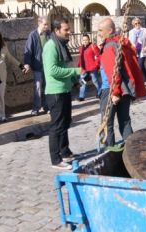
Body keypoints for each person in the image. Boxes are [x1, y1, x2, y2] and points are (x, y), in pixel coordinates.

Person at [98, 18, 146, 147]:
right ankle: (132, 149)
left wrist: (114, 93)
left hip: (110, 89)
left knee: (107, 123)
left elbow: (113, 72)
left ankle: (109, 151)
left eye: (100, 30)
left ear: (109, 30)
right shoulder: (121, 43)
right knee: (125, 120)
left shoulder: (109, 46)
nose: (99, 33)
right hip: (124, 89)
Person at [43, 17, 82, 170]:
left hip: (65, 90)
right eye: (66, 30)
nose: (69, 32)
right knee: (56, 126)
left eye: (69, 29)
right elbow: (53, 70)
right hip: (55, 92)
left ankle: (65, 152)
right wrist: (75, 71)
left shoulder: (61, 45)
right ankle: (55, 159)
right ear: (56, 30)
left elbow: (65, 64)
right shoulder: (51, 46)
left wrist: (74, 80)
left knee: (65, 123)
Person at [24, 16, 50, 116]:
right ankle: (36, 108)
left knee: (47, 87)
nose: (46, 26)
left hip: (47, 66)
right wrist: (27, 63)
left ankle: (46, 106)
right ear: (39, 24)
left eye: (47, 24)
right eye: (45, 24)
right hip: (37, 65)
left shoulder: (48, 34)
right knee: (38, 87)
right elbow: (28, 50)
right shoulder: (33, 35)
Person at [128, 17, 146, 86]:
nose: (137, 24)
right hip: (135, 52)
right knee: (142, 66)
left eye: (138, 23)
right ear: (133, 24)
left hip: (143, 51)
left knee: (140, 66)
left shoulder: (145, 30)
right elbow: (129, 42)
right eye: (135, 23)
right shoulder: (131, 32)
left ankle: (143, 81)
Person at [77, 34, 101, 101]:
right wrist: (79, 66)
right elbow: (80, 58)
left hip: (92, 68)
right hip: (83, 68)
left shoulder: (93, 46)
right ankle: (81, 96)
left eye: (86, 40)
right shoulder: (81, 48)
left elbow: (99, 56)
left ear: (89, 40)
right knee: (82, 81)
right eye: (83, 40)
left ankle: (99, 93)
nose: (85, 41)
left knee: (95, 81)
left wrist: (96, 65)